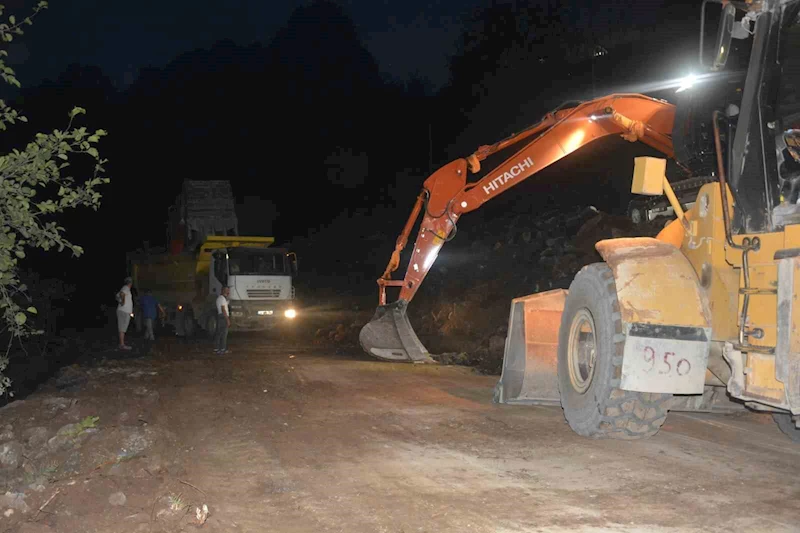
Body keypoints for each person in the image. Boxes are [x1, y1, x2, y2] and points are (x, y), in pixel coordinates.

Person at [116, 277, 134, 350]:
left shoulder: (126, 288)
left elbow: (117, 296)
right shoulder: (126, 288)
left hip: (125, 311)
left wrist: (120, 301)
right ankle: (122, 345)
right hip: (124, 311)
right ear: (130, 283)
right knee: (122, 328)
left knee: (123, 328)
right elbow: (121, 294)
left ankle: (122, 344)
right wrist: (122, 302)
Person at [214, 286, 231, 355]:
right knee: (224, 334)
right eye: (227, 290)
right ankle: (222, 349)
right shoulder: (222, 299)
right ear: (223, 291)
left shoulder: (220, 298)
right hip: (223, 317)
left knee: (219, 333)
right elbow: (223, 309)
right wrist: (227, 319)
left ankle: (218, 349)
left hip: (220, 316)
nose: (228, 292)